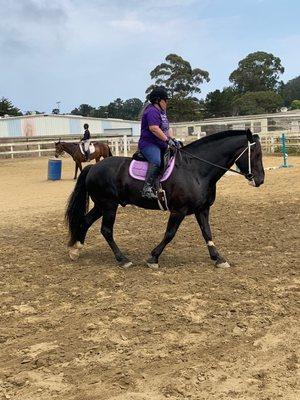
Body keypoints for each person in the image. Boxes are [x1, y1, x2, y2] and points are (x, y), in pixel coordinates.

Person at [138, 86, 181, 200]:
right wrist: (167, 140)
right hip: (149, 144)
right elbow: (154, 128)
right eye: (165, 100)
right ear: (158, 100)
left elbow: (167, 128)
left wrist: (173, 139)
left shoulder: (162, 112)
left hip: (160, 143)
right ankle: (146, 188)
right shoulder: (152, 111)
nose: (166, 102)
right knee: (156, 161)